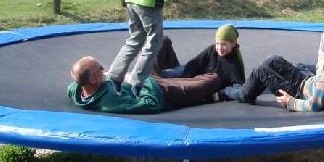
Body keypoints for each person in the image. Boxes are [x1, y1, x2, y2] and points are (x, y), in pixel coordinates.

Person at [69, 56, 224, 114]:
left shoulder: (76, 89)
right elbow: (150, 105)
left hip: (147, 80)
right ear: (92, 80)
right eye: (100, 69)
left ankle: (182, 72)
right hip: (163, 91)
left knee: (161, 42)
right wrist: (135, 79)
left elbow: (74, 83)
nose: (104, 70)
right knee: (214, 80)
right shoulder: (109, 100)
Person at [238, 38, 324, 112]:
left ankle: (238, 93)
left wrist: (291, 102)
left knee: (260, 70)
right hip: (305, 82)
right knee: (273, 60)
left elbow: (313, 105)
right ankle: (252, 87)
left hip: (297, 94)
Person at [163, 24, 245, 88]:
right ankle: (155, 76)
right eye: (217, 44)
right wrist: (186, 76)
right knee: (171, 73)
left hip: (204, 81)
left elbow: (238, 85)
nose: (219, 47)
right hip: (195, 73)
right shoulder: (212, 49)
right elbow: (195, 62)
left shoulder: (234, 62)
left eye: (224, 44)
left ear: (233, 44)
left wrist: (221, 93)